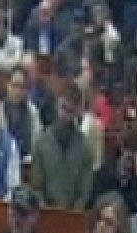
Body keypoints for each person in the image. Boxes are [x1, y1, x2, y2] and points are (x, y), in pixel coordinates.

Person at [31, 82, 94, 210]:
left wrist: (72, 214)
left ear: (77, 112)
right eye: (63, 108)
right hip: (45, 212)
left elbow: (85, 192)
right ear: (56, 105)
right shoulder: (41, 142)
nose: (65, 116)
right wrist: (47, 211)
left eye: (70, 111)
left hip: (74, 213)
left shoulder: (85, 147)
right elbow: (37, 187)